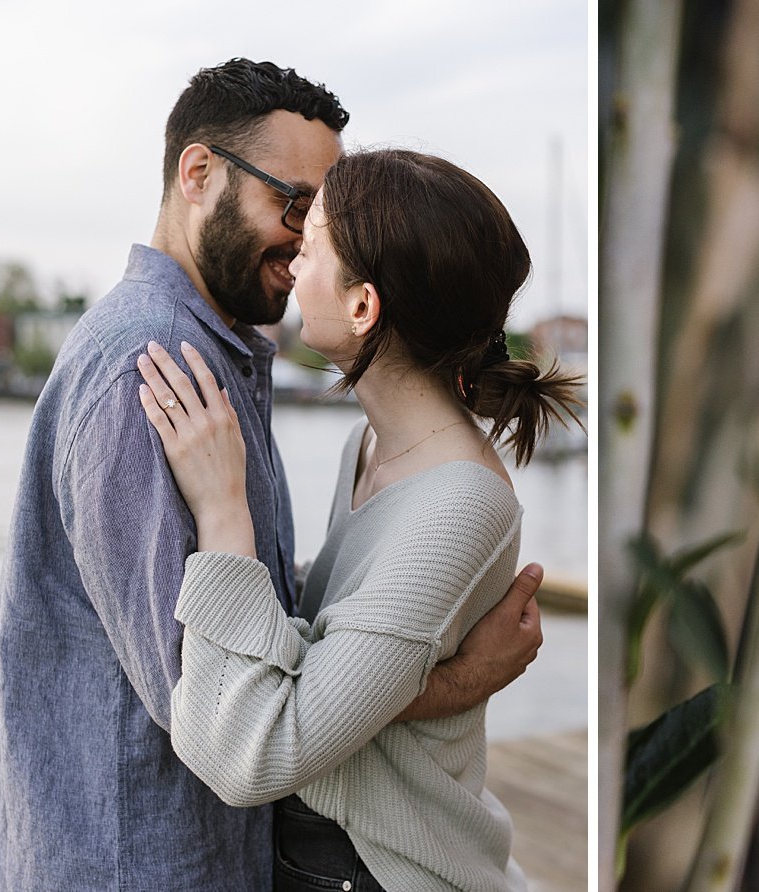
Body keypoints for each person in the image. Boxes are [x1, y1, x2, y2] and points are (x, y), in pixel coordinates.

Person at [0, 60, 544, 890]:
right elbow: (236, 722)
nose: (297, 241)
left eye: (317, 225)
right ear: (199, 173)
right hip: (137, 864)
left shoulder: (231, 364)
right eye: (295, 205)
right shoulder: (151, 371)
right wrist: (459, 680)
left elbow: (281, 673)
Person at [134, 148, 583, 891]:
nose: (290, 263)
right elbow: (339, 657)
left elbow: (254, 753)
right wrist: (460, 678)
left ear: (363, 307)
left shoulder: (460, 506)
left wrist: (224, 512)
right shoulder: (368, 443)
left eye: (309, 251)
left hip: (382, 868)